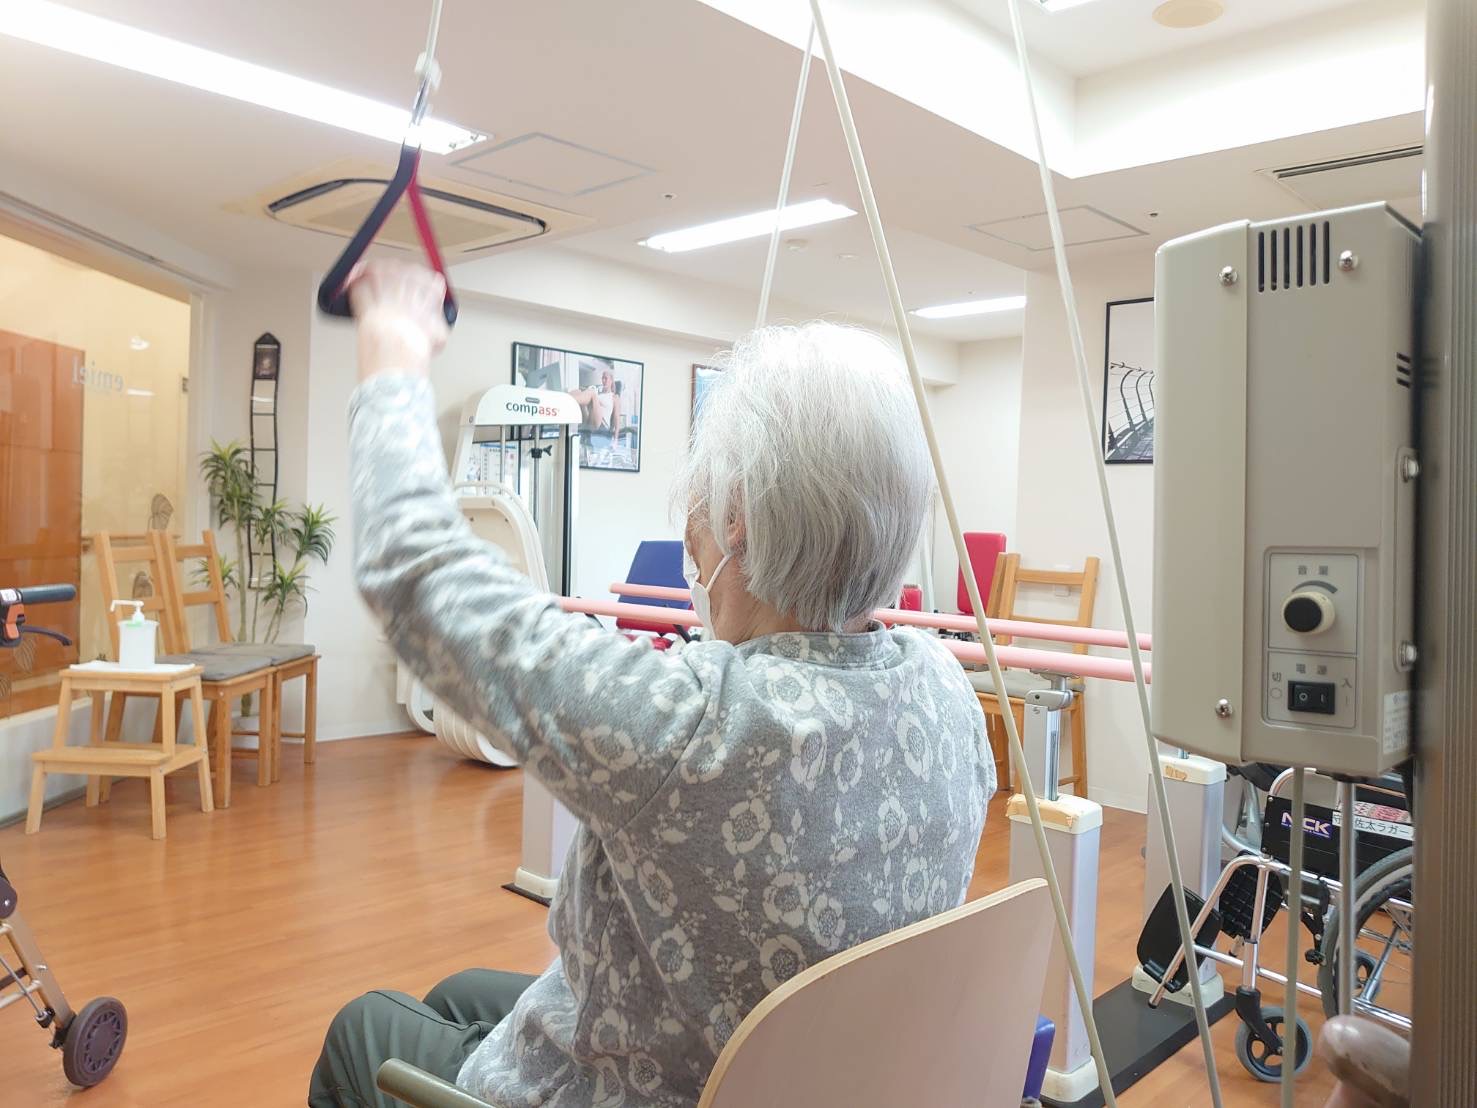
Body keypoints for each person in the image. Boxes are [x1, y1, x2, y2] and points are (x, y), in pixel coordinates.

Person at [309, 260, 996, 1108]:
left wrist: (392, 347)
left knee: (363, 1025)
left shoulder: (693, 725)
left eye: (696, 506)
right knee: (458, 994)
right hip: (801, 1075)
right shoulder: (947, 690)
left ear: (736, 518)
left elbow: (413, 571)